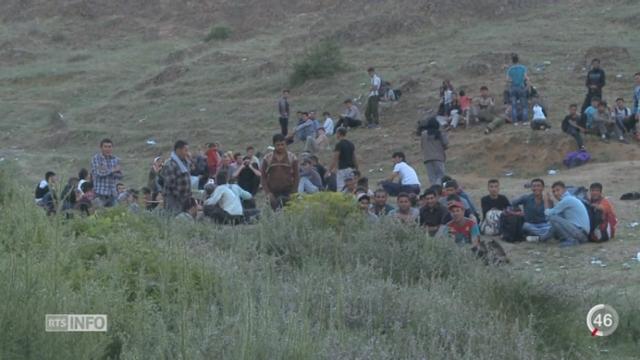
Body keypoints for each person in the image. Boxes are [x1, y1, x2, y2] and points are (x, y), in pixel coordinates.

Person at [543, 181, 590, 247]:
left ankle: (570, 240)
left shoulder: (567, 200)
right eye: (553, 191)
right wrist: (551, 203)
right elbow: (556, 218)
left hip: (580, 233)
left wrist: (545, 201)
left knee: (552, 217)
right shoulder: (569, 198)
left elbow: (548, 214)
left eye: (558, 190)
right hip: (581, 234)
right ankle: (541, 238)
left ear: (564, 190)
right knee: (555, 222)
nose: (556, 193)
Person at [261, 134, 299, 210]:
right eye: (278, 145)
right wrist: (268, 193)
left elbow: (297, 176)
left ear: (285, 144)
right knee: (275, 213)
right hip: (273, 192)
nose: (280, 147)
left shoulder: (292, 157)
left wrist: (294, 192)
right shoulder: (267, 158)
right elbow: (263, 177)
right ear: (274, 145)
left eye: (282, 144)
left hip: (288, 191)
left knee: (288, 213)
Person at [161, 140, 192, 214]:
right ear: (178, 150)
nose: (187, 153)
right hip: (174, 199)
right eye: (185, 150)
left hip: (184, 198)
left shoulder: (185, 162)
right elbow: (170, 184)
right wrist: (180, 197)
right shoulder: (170, 164)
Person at [91, 138, 123, 207]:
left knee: (115, 214)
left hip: (112, 194)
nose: (107, 149)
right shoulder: (96, 158)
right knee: (99, 215)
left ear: (112, 148)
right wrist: (113, 170)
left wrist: (107, 171)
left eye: (109, 147)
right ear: (101, 148)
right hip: (100, 194)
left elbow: (120, 176)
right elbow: (99, 173)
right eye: (105, 147)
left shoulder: (116, 159)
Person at [420, 117, 448, 186]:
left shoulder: (423, 134)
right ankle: (438, 188)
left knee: (431, 177)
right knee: (440, 175)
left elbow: (422, 145)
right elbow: (446, 144)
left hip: (427, 158)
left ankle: (433, 190)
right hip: (438, 157)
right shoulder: (439, 133)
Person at [329, 127, 358, 193]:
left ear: (339, 133)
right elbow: (354, 158)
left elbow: (335, 159)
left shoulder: (339, 145)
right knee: (351, 188)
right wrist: (357, 168)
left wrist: (329, 170)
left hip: (342, 169)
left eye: (336, 133)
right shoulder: (351, 144)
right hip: (351, 169)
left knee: (341, 188)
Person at [507, 53, 529, 125]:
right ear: (518, 60)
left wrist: (513, 81)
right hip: (521, 88)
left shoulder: (510, 69)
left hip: (513, 88)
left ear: (512, 61)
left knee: (514, 105)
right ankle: (525, 121)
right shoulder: (523, 68)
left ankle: (515, 121)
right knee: (524, 105)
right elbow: (526, 78)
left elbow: (508, 80)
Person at [631, 72, 640, 139]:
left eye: (638, 78)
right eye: (635, 78)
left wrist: (638, 111)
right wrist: (634, 110)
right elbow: (635, 100)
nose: (636, 80)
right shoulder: (636, 88)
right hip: (636, 107)